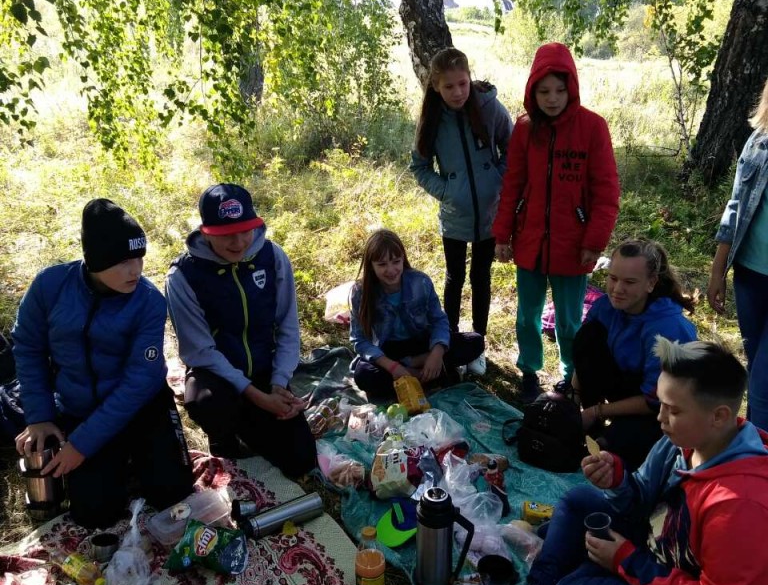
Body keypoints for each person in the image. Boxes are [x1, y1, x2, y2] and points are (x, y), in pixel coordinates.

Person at [461, 337, 768, 585]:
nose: (660, 418)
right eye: (661, 404)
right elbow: (640, 501)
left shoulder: (739, 504)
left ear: (719, 416)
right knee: (579, 500)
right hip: (663, 555)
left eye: (674, 410)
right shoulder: (684, 439)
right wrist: (618, 480)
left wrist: (628, 562)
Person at [11, 199, 192, 529]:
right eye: (123, 261)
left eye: (139, 257)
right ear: (95, 259)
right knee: (95, 514)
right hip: (80, 406)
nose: (136, 269)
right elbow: (28, 348)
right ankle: (120, 461)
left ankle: (137, 457)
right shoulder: (49, 287)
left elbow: (139, 382)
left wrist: (81, 444)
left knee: (173, 492)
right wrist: (39, 416)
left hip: (142, 406)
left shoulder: (149, 301)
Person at [492, 43, 620, 403]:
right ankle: (529, 371)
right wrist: (502, 234)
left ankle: (570, 377)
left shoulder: (592, 127)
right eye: (544, 91)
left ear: (571, 88)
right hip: (530, 242)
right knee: (527, 315)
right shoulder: (525, 128)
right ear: (532, 92)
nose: (552, 99)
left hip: (573, 246)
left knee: (568, 321)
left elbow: (606, 191)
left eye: (560, 90)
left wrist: (593, 242)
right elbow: (513, 183)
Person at [166, 183, 316, 477]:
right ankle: (224, 435)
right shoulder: (183, 276)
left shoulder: (273, 257)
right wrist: (257, 397)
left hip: (264, 372)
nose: (238, 242)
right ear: (206, 232)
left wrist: (279, 383)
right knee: (207, 403)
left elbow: (288, 326)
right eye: (226, 234)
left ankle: (251, 423)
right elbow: (200, 351)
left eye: (245, 231)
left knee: (301, 461)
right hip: (218, 378)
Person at [409, 47, 512, 377]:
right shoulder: (432, 120)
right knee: (454, 278)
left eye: (463, 84)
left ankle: (477, 344)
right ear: (436, 86)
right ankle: (450, 341)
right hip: (454, 215)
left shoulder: (489, 107)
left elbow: (512, 147)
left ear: (470, 79)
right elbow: (419, 166)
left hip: (489, 214)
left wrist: (497, 180)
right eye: (449, 86)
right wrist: (447, 191)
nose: (457, 92)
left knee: (481, 277)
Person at [573, 238, 697, 469]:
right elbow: (584, 353)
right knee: (587, 336)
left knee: (608, 456)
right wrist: (573, 400)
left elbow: (657, 400)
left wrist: (596, 412)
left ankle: (612, 435)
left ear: (651, 283)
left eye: (629, 282)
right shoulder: (607, 306)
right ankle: (596, 427)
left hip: (663, 409)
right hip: (629, 386)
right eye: (613, 278)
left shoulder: (668, 330)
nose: (617, 289)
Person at [349, 229, 484, 399]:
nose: (391, 270)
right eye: (382, 264)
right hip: (389, 350)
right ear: (371, 266)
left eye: (396, 261)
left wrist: (436, 353)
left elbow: (439, 320)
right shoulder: (360, 292)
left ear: (403, 259)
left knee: (475, 341)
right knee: (364, 375)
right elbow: (359, 339)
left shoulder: (421, 281)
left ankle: (418, 372)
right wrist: (393, 367)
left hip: (422, 343)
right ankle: (430, 375)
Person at [708, 77, 768, 432]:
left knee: (762, 383)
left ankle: (756, 455)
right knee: (755, 363)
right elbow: (735, 209)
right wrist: (718, 270)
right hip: (750, 275)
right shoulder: (759, 141)